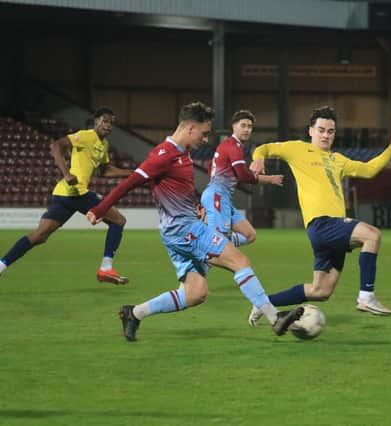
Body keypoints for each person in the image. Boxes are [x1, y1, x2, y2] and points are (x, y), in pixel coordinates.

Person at [86, 101, 302, 342]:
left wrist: (197, 206)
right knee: (239, 260)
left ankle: (134, 313)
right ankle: (275, 318)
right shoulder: (163, 155)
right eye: (205, 132)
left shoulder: (183, 155)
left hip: (176, 232)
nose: (206, 139)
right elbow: (129, 183)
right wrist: (100, 209)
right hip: (184, 230)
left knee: (195, 293)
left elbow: (181, 190)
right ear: (190, 127)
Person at [247, 106, 391, 325]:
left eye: (330, 131)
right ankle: (366, 296)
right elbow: (263, 148)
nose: (325, 135)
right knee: (372, 235)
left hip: (330, 231)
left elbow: (369, 170)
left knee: (320, 290)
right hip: (322, 224)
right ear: (310, 131)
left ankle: (263, 304)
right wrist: (258, 159)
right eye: (321, 130)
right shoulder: (297, 149)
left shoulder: (338, 159)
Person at [0, 107, 131, 284]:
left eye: (111, 123)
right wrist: (66, 174)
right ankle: (106, 268)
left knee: (40, 235)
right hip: (77, 192)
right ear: (96, 121)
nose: (108, 125)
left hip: (63, 195)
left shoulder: (103, 145)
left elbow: (105, 171)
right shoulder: (85, 136)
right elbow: (57, 146)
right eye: (105, 121)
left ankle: (1, 265)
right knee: (118, 221)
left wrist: (134, 174)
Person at [200, 110, 283, 246]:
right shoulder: (233, 146)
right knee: (218, 244)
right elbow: (243, 176)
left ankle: (212, 245)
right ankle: (202, 250)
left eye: (249, 127)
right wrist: (267, 178)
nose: (247, 129)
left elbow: (211, 167)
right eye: (243, 125)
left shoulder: (228, 145)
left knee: (249, 235)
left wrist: (268, 178)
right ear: (234, 126)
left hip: (221, 197)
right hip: (217, 197)